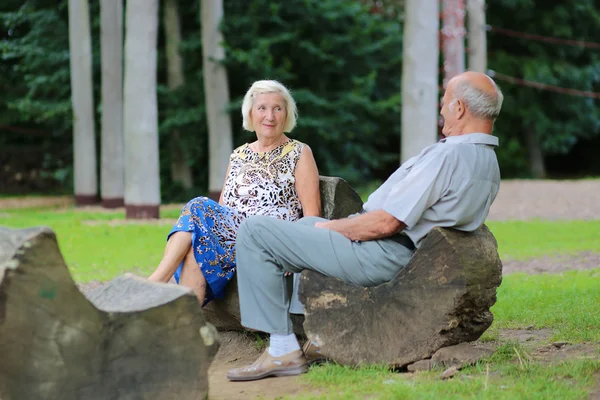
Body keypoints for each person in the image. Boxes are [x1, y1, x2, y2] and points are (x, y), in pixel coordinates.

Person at [226, 71, 504, 381]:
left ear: (460, 108)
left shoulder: (451, 156)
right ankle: (313, 337)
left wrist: (336, 229)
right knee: (306, 223)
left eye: (444, 102)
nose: (441, 109)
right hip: (405, 252)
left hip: (383, 253)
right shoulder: (486, 160)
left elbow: (387, 222)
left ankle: (281, 350)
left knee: (255, 232)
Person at [148, 80, 321, 306]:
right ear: (250, 113)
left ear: (286, 114)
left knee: (198, 206)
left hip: (270, 240)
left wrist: (291, 254)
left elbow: (312, 215)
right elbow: (221, 211)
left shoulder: (299, 152)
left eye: (277, 108)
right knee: (194, 248)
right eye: (262, 108)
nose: (270, 116)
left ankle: (154, 284)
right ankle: (185, 328)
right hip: (234, 241)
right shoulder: (239, 155)